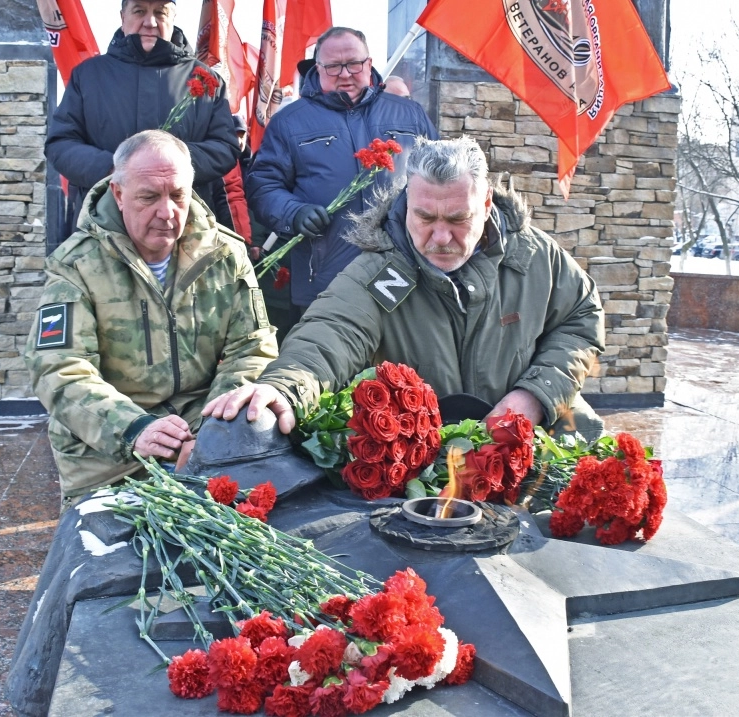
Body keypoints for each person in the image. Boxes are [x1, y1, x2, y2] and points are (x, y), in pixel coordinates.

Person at [205, 136, 606, 441]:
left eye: (458, 219)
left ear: (486, 204)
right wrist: (282, 389)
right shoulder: (378, 273)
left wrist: (534, 396)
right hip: (421, 463)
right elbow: (328, 335)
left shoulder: (535, 257)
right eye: (425, 217)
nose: (441, 238)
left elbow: (582, 317)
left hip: (532, 443)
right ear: (407, 200)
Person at [25, 130, 278, 503]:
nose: (167, 212)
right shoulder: (75, 265)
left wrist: (213, 430)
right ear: (118, 194)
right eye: (148, 197)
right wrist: (133, 428)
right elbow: (58, 368)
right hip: (108, 453)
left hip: (202, 434)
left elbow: (253, 347)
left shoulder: (224, 253)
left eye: (178, 195)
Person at [246, 26, 438, 317]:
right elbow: (262, 185)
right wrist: (293, 212)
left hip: (401, 268)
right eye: (333, 66)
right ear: (318, 68)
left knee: (398, 346)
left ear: (369, 63)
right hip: (325, 277)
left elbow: (439, 175)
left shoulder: (410, 115)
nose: (345, 74)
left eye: (354, 64)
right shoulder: (290, 122)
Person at [45, 0, 239, 245]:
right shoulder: (88, 76)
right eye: (139, 11)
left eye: (160, 12)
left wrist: (170, 167)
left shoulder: (206, 81)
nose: (150, 22)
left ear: (173, 17)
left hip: (183, 235)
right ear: (123, 17)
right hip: (103, 233)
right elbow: (61, 144)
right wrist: (114, 169)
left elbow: (225, 147)